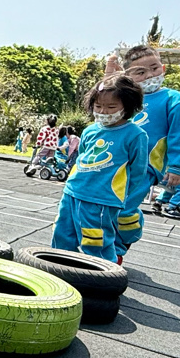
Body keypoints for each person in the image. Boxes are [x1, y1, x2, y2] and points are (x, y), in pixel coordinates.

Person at [52, 76, 148, 263]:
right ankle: (59, 265)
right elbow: (82, 156)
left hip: (102, 199)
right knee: (62, 232)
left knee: (95, 239)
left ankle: (104, 271)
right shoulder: (90, 131)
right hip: (73, 191)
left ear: (128, 106)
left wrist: (121, 197)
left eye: (111, 107)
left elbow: (138, 172)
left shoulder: (135, 135)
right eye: (98, 106)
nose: (103, 111)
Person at [106, 44, 180, 250]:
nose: (150, 75)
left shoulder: (173, 99)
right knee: (105, 204)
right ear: (128, 75)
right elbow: (102, 105)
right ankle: (102, 246)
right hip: (115, 161)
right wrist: (109, 75)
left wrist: (177, 166)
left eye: (154, 68)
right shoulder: (124, 97)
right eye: (140, 72)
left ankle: (119, 246)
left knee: (125, 208)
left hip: (146, 166)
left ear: (163, 68)